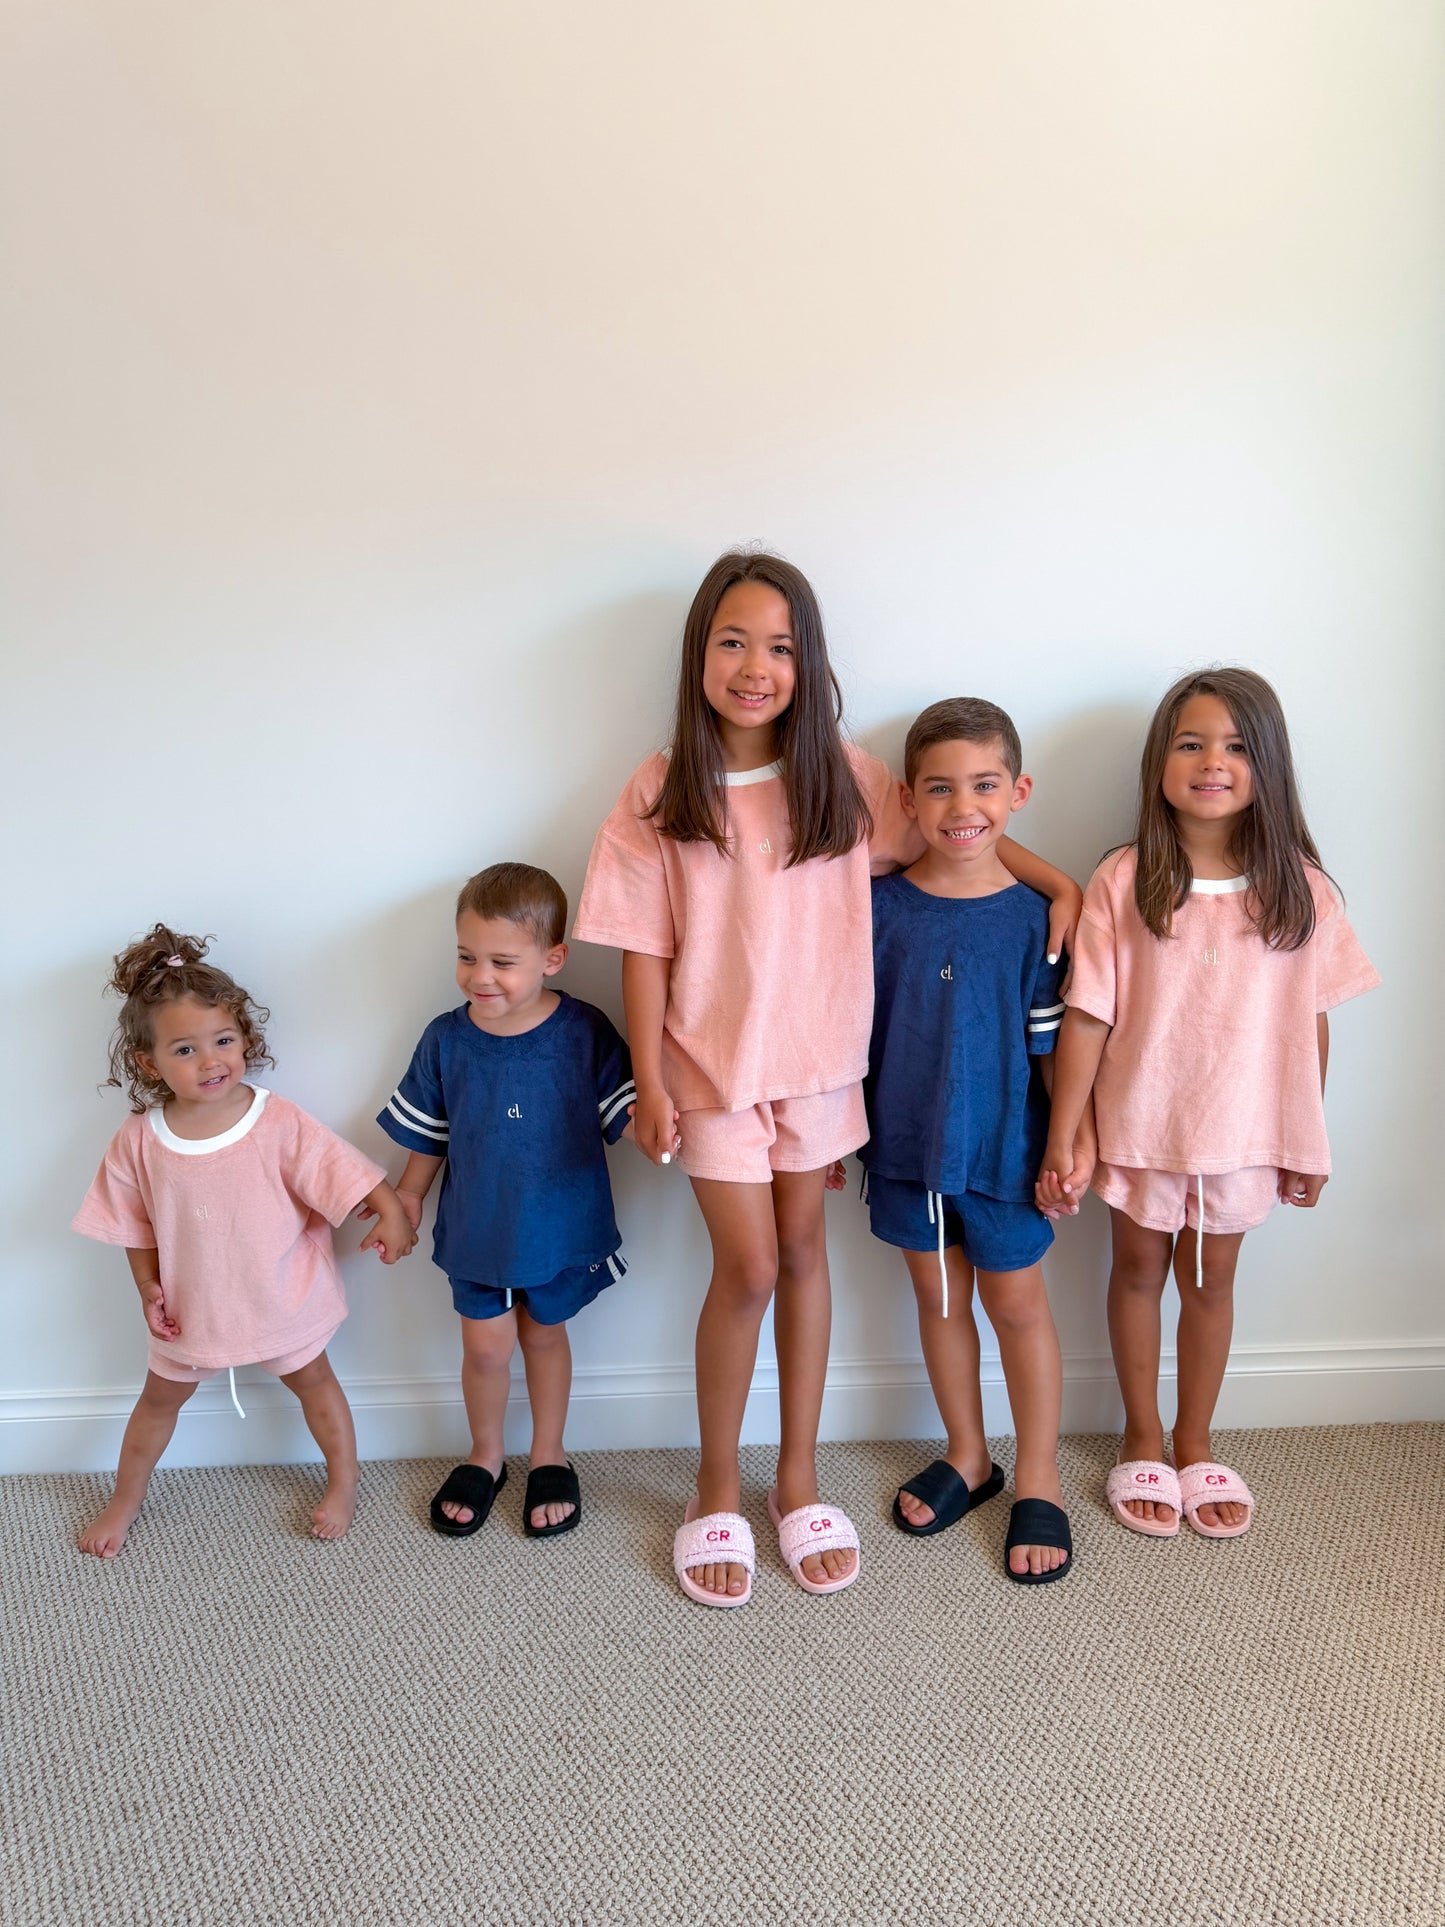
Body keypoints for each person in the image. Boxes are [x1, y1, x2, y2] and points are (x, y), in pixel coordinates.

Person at [575, 551, 1081, 1606]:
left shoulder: (844, 779)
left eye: (779, 646)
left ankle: (793, 1477)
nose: (755, 666)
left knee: (804, 1257)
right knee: (748, 1270)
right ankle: (715, 1480)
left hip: (816, 1072)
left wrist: (1054, 880)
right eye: (732, 641)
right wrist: (653, 1075)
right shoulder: (661, 786)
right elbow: (640, 941)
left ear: (806, 664)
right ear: (698, 654)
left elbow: (960, 833)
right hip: (708, 1072)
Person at [1038, 669, 1379, 1538]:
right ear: (1160, 760)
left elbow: (1311, 1026)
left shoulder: (1301, 889)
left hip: (1245, 1134)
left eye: (1233, 745)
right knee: (1138, 1272)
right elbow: (1085, 1016)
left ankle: (1194, 1438)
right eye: (1190, 742)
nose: (1211, 761)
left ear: (1266, 763)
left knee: (1211, 1281)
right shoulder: (1125, 878)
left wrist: (1309, 1140)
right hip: (1140, 1124)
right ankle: (1141, 1434)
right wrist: (1066, 1132)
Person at [72, 926, 416, 1555]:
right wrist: (147, 1286)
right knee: (155, 1405)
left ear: (245, 1040)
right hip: (189, 1312)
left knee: (317, 1385)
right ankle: (123, 1501)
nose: (211, 1061)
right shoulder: (139, 1139)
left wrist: (390, 1210)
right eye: (185, 1049)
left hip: (281, 1295)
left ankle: (344, 1480)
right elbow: (132, 1225)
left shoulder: (275, 1119)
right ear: (149, 1063)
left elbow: (339, 1168)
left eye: (223, 1041)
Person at [856, 698, 1082, 1583]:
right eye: (940, 788)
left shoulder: (1037, 918)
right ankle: (968, 1455)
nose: (963, 806)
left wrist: (1067, 1143)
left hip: (1007, 1155)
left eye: (984, 784)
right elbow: (850, 1036)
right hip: (906, 1152)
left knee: (1018, 1305)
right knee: (941, 1302)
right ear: (908, 799)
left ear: (1017, 790)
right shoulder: (877, 909)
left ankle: (1038, 1473)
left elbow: (1054, 1046)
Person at [376, 863, 635, 1539]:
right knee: (486, 1351)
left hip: (559, 1228)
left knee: (546, 1337)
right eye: (466, 956)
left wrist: (679, 1127)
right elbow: (428, 1135)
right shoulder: (445, 1039)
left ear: (551, 959)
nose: (479, 976)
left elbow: (629, 1115)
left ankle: (548, 1451)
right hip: (478, 1233)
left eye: (501, 961)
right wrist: (405, 1198)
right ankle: (485, 1454)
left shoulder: (583, 1031)